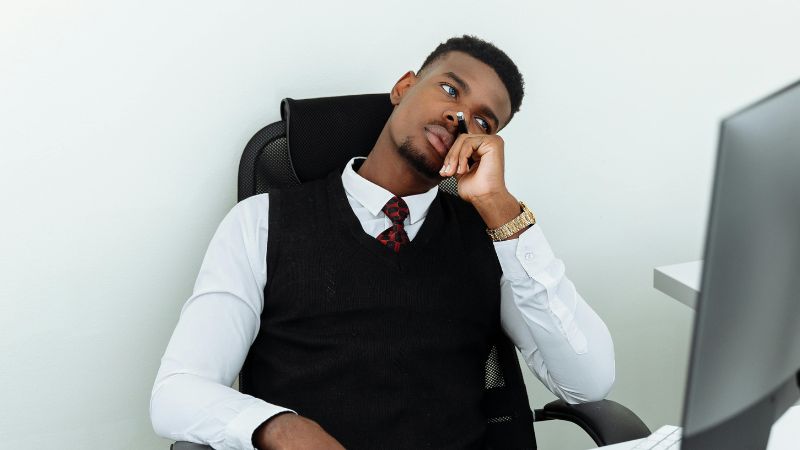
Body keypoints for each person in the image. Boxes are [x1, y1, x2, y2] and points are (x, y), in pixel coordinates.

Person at [150, 35, 615, 450]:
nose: (459, 116)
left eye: (483, 122)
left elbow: (588, 384)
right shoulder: (261, 223)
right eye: (451, 90)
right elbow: (177, 391)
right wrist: (279, 428)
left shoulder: (493, 239)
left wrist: (502, 212)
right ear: (404, 87)